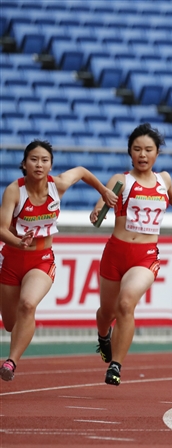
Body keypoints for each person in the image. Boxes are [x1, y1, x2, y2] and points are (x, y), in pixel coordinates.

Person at [90, 124, 172, 386]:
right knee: (106, 311)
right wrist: (98, 209)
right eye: (137, 149)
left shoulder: (163, 179)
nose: (143, 154)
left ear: (157, 153)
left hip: (145, 256)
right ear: (130, 152)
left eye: (148, 149)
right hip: (115, 252)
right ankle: (103, 337)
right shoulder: (120, 180)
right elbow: (100, 205)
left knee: (125, 304)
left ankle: (116, 365)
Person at [0, 140, 117, 381]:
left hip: (41, 259)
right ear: (24, 164)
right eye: (34, 159)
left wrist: (103, 191)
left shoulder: (58, 185)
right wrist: (17, 242)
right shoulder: (14, 190)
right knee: (11, 324)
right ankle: (14, 349)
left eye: (44, 160)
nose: (39, 164)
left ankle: (11, 362)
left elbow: (83, 171)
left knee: (28, 305)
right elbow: (1, 229)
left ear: (51, 165)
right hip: (11, 260)